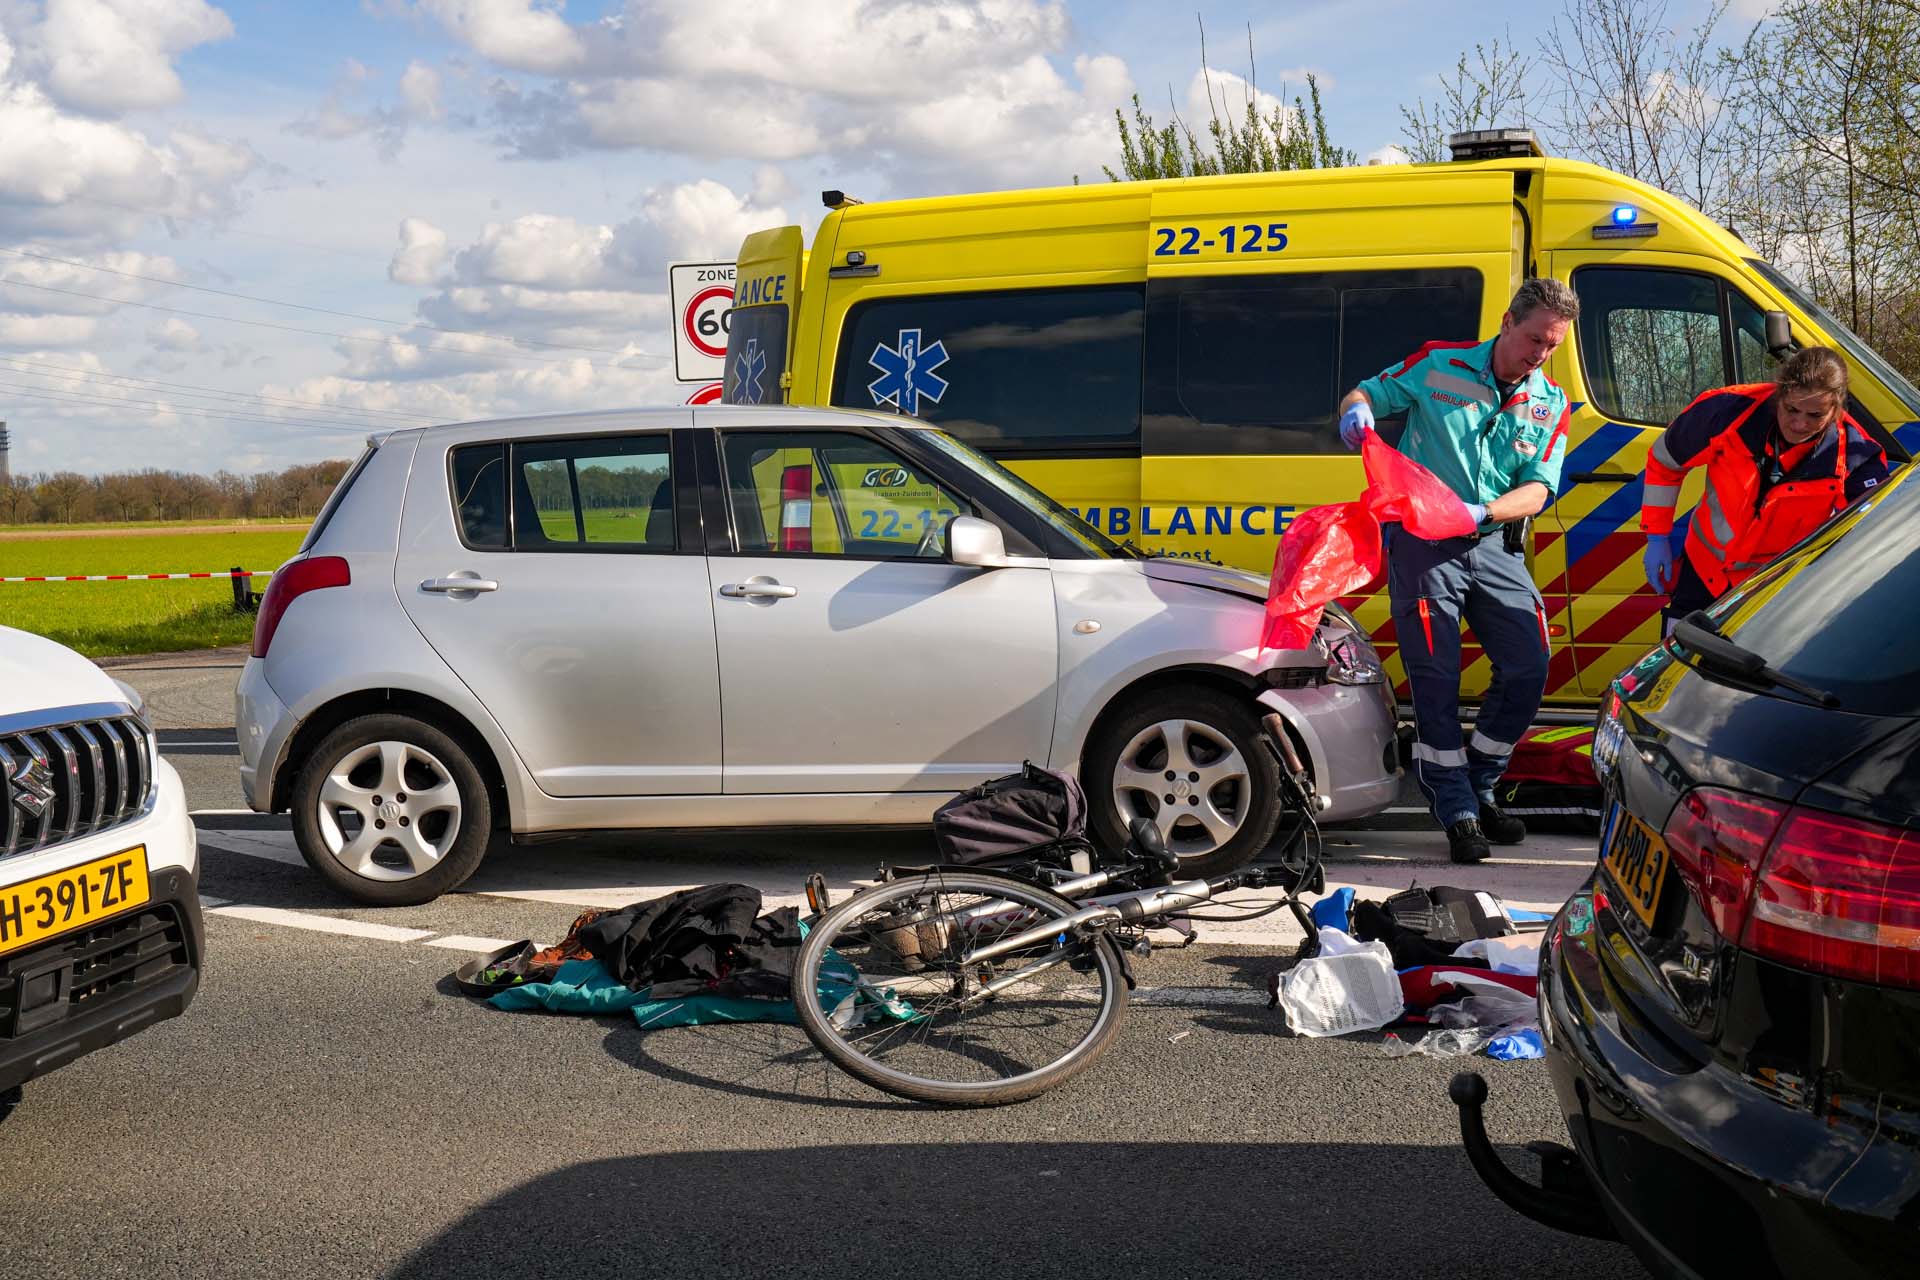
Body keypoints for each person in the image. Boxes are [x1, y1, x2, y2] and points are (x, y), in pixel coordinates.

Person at [1336, 278, 1578, 863]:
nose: (1539, 355)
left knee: (1527, 668)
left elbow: (1538, 490)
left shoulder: (1551, 402)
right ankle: (1457, 810)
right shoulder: (1440, 365)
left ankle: (1480, 783)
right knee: (1437, 680)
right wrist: (1358, 413)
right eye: (1533, 340)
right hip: (1422, 544)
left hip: (1492, 542)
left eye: (1551, 346)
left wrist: (1484, 512)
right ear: (1505, 323)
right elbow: (1365, 393)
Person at [1641, 347, 1888, 629]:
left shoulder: (1857, 456)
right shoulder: (1724, 411)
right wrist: (1657, 536)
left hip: (1773, 591)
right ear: (1778, 395)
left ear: (1836, 409)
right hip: (1703, 574)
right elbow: (1665, 460)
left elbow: (1868, 535)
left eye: (1814, 415)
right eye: (1791, 409)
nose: (1799, 424)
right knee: (1677, 670)